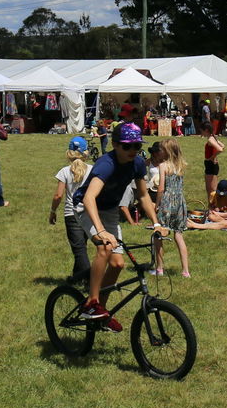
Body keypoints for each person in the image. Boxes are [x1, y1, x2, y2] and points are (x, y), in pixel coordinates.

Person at [78, 122, 165, 329]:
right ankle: (91, 303)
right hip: (86, 207)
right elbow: (89, 198)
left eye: (136, 146)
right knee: (104, 247)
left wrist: (156, 222)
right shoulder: (106, 164)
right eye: (127, 146)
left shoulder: (136, 164)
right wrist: (100, 231)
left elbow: (143, 195)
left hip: (109, 210)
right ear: (115, 145)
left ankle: (102, 312)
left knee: (117, 264)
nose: (132, 151)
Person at [49, 137, 93, 283]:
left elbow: (58, 195)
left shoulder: (64, 171)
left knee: (79, 249)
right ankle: (75, 278)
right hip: (89, 213)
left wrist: (53, 211)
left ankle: (91, 280)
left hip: (71, 214)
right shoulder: (92, 170)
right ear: (86, 152)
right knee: (81, 247)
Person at [152, 139, 192, 277]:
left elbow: (161, 188)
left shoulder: (163, 166)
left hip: (167, 202)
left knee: (159, 234)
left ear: (167, 151)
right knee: (179, 235)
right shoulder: (180, 166)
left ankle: (159, 268)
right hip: (180, 202)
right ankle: (185, 270)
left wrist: (157, 204)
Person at [202, 122, 225, 197]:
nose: (201, 133)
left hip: (210, 164)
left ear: (206, 130)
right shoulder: (213, 138)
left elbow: (220, 149)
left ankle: (212, 207)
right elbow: (223, 146)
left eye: (201, 131)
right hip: (213, 165)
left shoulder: (210, 140)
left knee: (210, 189)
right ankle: (214, 207)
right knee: (213, 188)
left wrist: (212, 157)